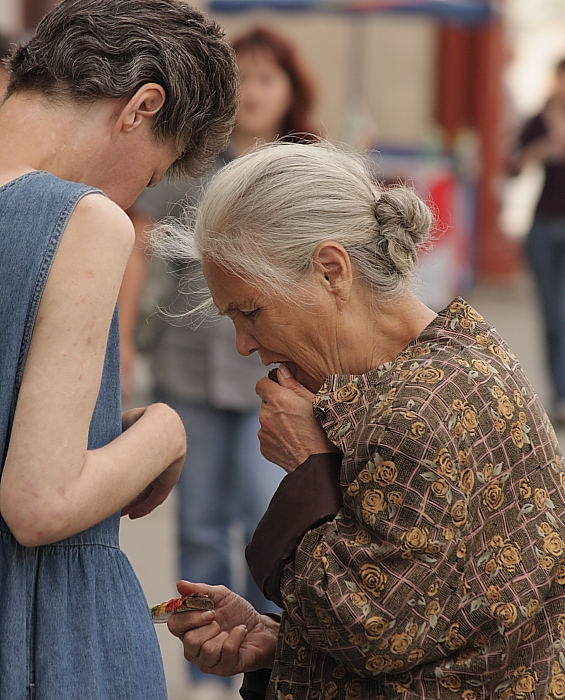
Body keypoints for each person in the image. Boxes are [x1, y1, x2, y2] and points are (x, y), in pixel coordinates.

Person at [162, 141, 565, 699]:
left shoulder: (415, 409)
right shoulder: (457, 356)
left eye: (251, 311)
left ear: (331, 271)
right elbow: (438, 618)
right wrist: (278, 639)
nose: (243, 344)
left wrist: (309, 467)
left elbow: (370, 627)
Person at [0, 1, 238, 697]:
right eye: (156, 171)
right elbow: (40, 503)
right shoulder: (79, 217)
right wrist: (163, 432)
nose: (140, 193)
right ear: (141, 105)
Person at [119, 26, 318, 697]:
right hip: (189, 368)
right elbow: (138, 248)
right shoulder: (192, 165)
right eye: (243, 79)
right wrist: (119, 341)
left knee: (270, 523)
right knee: (198, 522)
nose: (254, 92)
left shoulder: (306, 174)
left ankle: (272, 656)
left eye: (268, 77)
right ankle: (203, 668)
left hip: (279, 377)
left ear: (290, 90)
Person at [510, 57, 565, 426]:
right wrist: (539, 151)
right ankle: (560, 394)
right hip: (544, 227)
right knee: (553, 316)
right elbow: (510, 167)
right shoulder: (538, 119)